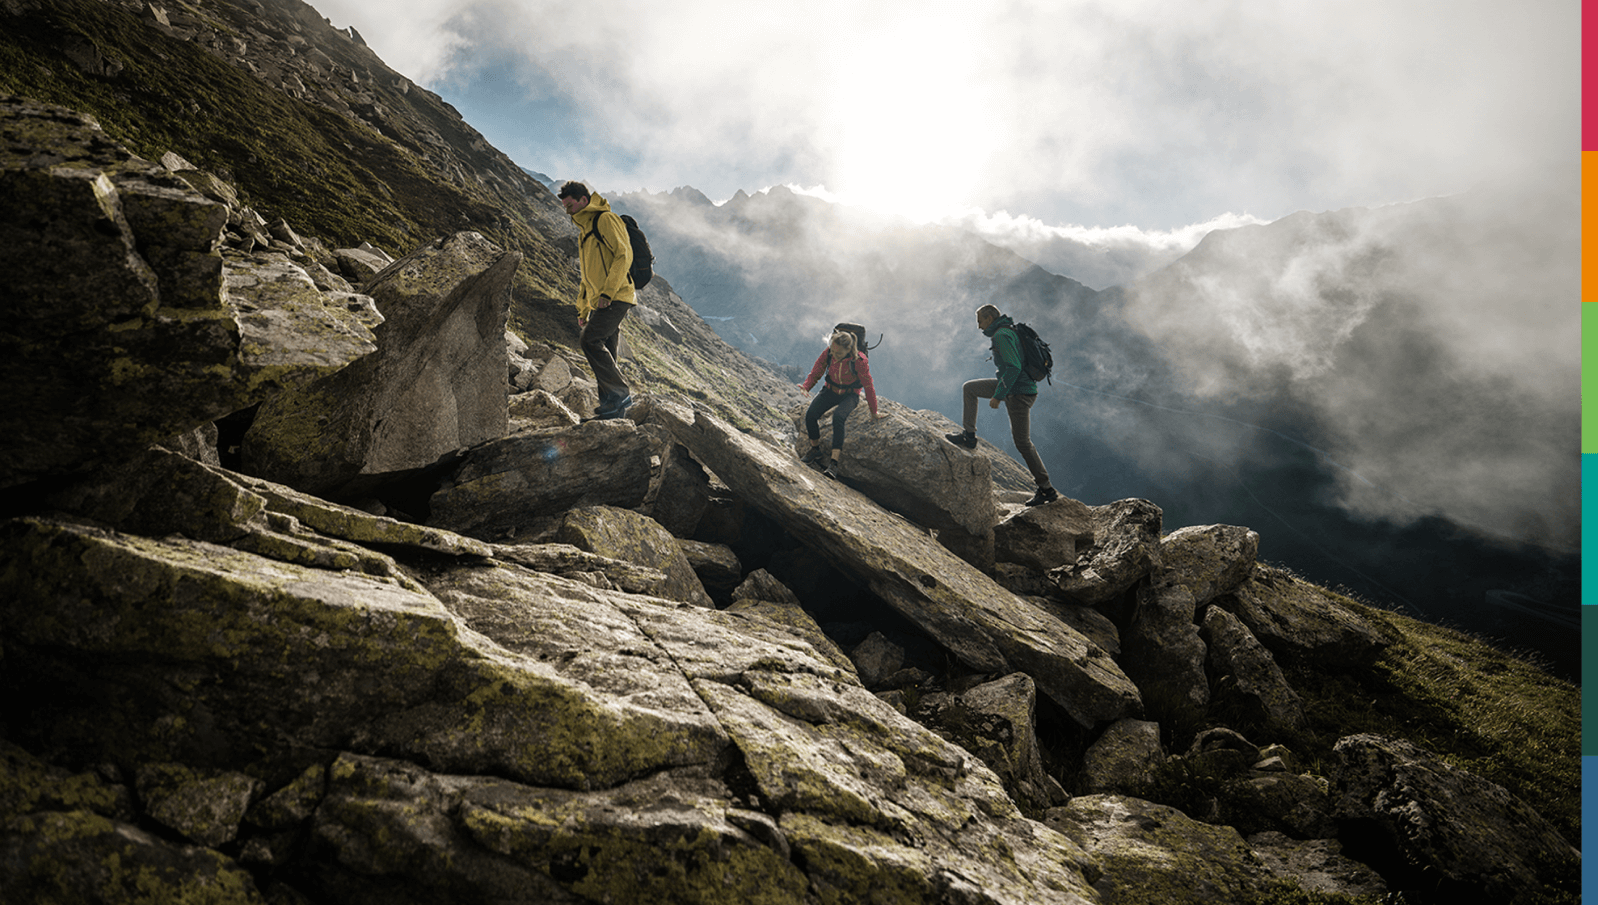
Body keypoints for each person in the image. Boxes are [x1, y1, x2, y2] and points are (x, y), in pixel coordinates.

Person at [945, 304, 1059, 506]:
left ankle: (1046, 489)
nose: (979, 326)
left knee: (1023, 443)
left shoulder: (1001, 335)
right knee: (969, 388)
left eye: (980, 320)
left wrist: (998, 395)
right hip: (1016, 387)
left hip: (1019, 392)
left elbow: (1014, 368)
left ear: (990, 318)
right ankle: (969, 436)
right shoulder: (1008, 330)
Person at [557, 180, 636, 420]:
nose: (568, 211)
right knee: (607, 353)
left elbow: (624, 255)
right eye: (565, 207)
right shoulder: (585, 231)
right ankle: (612, 412)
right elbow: (587, 276)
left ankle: (620, 393)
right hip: (602, 299)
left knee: (589, 340)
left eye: (570, 205)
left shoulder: (605, 220)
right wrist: (582, 310)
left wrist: (608, 293)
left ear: (583, 200)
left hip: (617, 296)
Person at [797, 329, 884, 479]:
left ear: (849, 349)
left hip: (850, 395)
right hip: (830, 390)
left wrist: (873, 411)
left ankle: (833, 464)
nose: (834, 356)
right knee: (811, 414)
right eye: (833, 350)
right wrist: (807, 386)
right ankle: (815, 450)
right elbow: (818, 369)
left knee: (838, 418)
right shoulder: (829, 352)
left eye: (838, 354)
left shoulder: (859, 361)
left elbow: (869, 386)